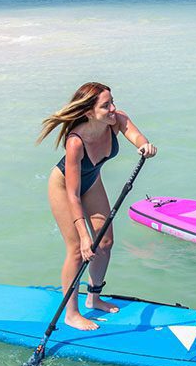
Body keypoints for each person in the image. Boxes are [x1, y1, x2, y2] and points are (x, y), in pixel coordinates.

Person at [36, 82, 157, 330]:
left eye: (112, 101)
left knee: (104, 243)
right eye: (106, 105)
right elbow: (72, 195)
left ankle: (94, 297)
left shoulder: (116, 120)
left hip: (91, 182)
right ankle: (71, 314)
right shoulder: (75, 141)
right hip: (64, 189)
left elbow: (134, 134)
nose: (113, 108)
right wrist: (82, 236)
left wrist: (144, 145)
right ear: (90, 112)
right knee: (78, 251)